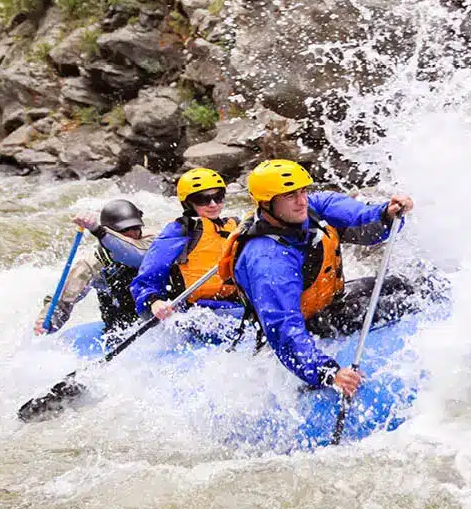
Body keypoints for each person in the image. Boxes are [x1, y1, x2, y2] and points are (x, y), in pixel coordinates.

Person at [218, 159, 414, 397]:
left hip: (330, 305)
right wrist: (328, 373)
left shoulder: (311, 208)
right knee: (402, 304)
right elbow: (283, 328)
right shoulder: (268, 260)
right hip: (307, 327)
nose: (301, 201)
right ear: (267, 203)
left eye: (303, 192)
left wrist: (386, 213)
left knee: (405, 284)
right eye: (290, 196)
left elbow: (361, 219)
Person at [130, 168, 242, 323]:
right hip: (197, 314)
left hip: (236, 306)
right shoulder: (180, 231)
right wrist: (153, 301)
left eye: (218, 197)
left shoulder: (236, 227)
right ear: (188, 203)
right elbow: (149, 273)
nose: (213, 204)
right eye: (202, 199)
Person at [34, 199, 150, 336]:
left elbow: (135, 253)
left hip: (159, 315)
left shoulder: (152, 241)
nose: (132, 234)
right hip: (122, 330)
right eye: (124, 230)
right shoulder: (93, 263)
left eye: (136, 228)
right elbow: (63, 300)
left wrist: (98, 230)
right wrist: (47, 320)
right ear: (111, 233)